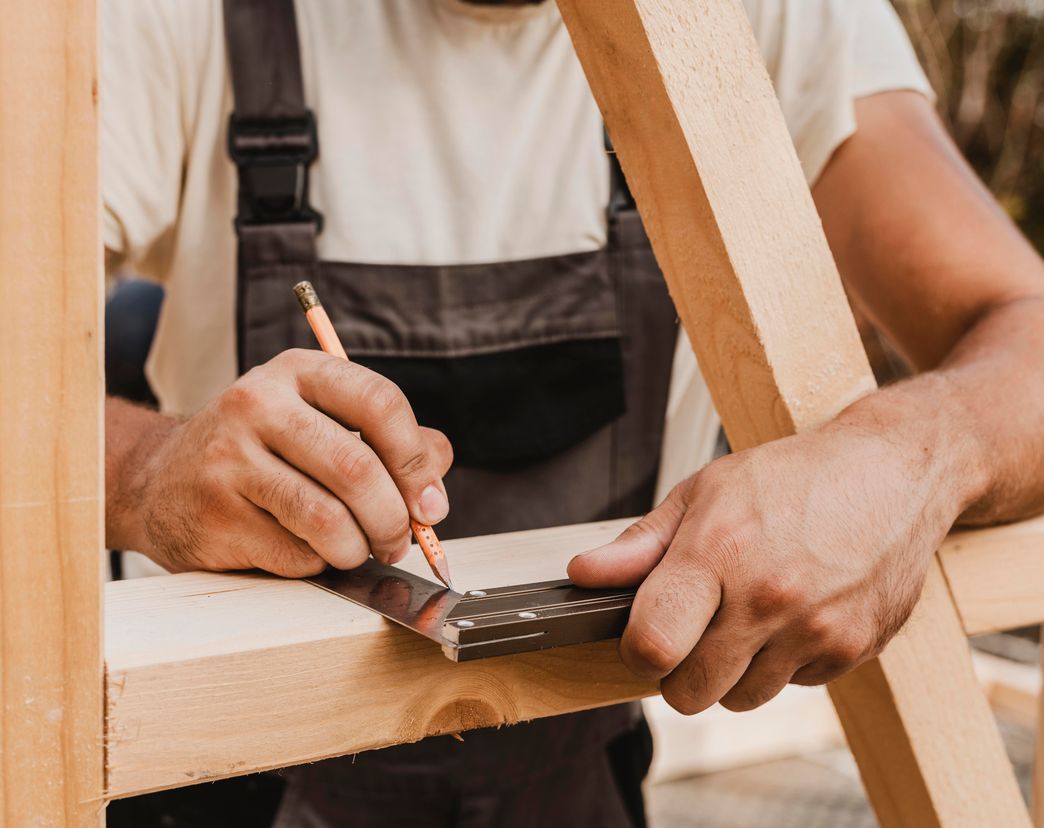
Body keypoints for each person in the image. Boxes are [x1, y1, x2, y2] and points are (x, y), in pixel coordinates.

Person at [101, 1, 1044, 826]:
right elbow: (34, 394)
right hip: (221, 779)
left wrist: (903, 456)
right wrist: (145, 470)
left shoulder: (767, 18)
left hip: (584, 771)